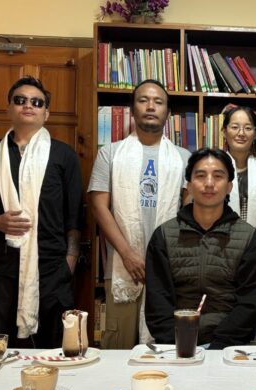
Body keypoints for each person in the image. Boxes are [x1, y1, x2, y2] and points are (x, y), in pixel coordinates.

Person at [0, 76, 83, 348]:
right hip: (0, 267)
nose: (28, 105)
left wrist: (70, 262)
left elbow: (75, 215)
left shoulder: (63, 156)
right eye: (20, 100)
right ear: (9, 109)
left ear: (46, 113)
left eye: (37, 102)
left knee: (53, 348)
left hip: (51, 268)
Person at [88, 79, 191, 349]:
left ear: (168, 112)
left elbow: (188, 212)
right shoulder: (110, 154)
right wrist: (128, 254)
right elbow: (99, 206)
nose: (150, 106)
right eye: (143, 100)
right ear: (133, 109)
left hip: (168, 267)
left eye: (158, 102)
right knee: (118, 345)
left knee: (163, 346)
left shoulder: (183, 158)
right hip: (122, 266)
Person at [145, 149, 256, 349]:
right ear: (189, 186)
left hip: (228, 348)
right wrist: (178, 343)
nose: (209, 183)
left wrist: (217, 347)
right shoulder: (163, 236)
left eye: (218, 176)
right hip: (175, 346)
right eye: (200, 176)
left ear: (229, 186)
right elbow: (157, 302)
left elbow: (250, 305)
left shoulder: (251, 239)